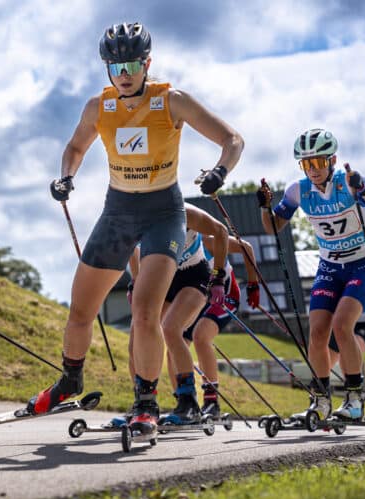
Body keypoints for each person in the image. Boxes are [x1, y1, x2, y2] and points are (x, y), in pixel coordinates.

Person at [26, 21, 243, 435]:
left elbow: (232, 139)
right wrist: (66, 177)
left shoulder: (171, 101)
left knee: (145, 312)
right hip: (118, 211)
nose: (123, 72)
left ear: (147, 63)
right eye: (114, 64)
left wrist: (220, 172)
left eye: (130, 63)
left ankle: (147, 404)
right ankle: (70, 380)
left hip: (164, 213)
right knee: (80, 310)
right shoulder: (98, 107)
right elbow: (75, 147)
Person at [258, 129, 365, 421]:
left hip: (362, 263)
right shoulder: (297, 190)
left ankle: (355, 399)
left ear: (332, 160)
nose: (313, 170)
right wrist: (264, 207)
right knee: (317, 333)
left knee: (343, 326)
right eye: (306, 164)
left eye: (318, 162)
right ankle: (321, 400)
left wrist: (364, 192)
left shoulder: (350, 181)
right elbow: (273, 226)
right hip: (329, 266)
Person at [157, 204, 229, 425]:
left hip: (194, 276)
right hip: (165, 278)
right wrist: (133, 284)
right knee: (142, 329)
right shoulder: (140, 215)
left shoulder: (184, 212)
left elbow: (222, 232)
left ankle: (191, 401)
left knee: (172, 329)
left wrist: (219, 278)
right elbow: (133, 250)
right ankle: (147, 401)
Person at [181, 235, 259, 419]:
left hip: (225, 296)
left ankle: (211, 400)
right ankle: (184, 402)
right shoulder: (173, 244)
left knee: (201, 336)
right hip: (199, 298)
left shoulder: (207, 240)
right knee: (176, 341)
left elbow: (246, 247)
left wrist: (253, 283)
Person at [327, 272, 365, 372]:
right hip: (340, 326)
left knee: (349, 354)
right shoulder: (335, 275)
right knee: (322, 370)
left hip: (363, 325)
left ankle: (352, 385)